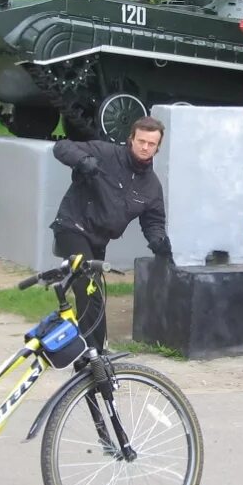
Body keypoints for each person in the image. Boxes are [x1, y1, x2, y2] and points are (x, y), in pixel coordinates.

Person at [49, 116, 172, 351]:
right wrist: (83, 160)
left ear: (158, 147)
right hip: (72, 227)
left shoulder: (152, 186)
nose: (145, 147)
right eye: (141, 141)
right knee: (89, 289)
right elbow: (62, 147)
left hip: (98, 240)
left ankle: (94, 351)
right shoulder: (106, 153)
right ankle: (93, 354)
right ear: (131, 139)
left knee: (96, 295)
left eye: (151, 144)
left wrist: (158, 241)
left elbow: (154, 221)